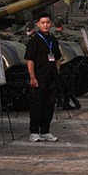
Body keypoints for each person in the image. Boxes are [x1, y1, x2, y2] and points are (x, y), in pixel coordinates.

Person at [25, 12, 63, 142]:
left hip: (51, 78)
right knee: (37, 105)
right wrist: (32, 77)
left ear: (51, 24)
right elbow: (30, 60)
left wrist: (57, 70)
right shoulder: (34, 40)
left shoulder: (53, 40)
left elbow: (58, 57)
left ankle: (46, 130)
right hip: (39, 78)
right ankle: (34, 131)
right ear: (38, 24)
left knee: (50, 105)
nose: (45, 25)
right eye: (43, 23)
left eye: (47, 23)